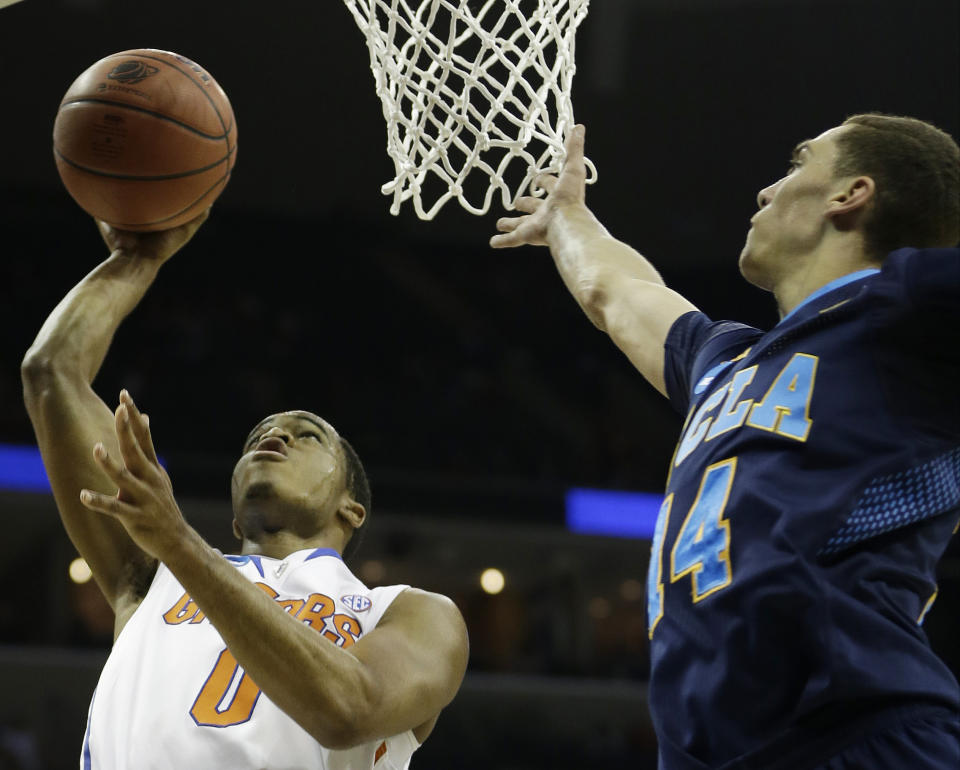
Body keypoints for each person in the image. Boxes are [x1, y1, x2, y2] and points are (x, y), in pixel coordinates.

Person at [492, 115, 960, 769]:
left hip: (857, 734)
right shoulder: (728, 366)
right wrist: (568, 217)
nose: (768, 189)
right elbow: (615, 292)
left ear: (850, 194)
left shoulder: (908, 308)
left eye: (798, 163)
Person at [21, 215, 469, 769]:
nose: (276, 435)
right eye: (258, 436)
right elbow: (51, 372)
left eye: (307, 435)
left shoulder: (407, 612)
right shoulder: (149, 576)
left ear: (352, 508)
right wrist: (136, 260)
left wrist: (180, 543)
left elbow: (349, 709)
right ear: (235, 517)